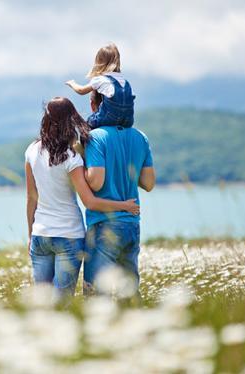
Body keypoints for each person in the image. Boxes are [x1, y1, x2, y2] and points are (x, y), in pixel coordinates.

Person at [25, 97, 140, 300]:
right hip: (69, 235)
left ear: (46, 119)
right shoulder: (72, 157)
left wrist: (30, 235)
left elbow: (31, 197)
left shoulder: (32, 150)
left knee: (42, 303)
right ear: (71, 121)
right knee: (63, 302)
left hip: (40, 235)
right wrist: (124, 205)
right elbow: (90, 202)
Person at [83, 90, 155, 295]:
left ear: (94, 105)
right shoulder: (140, 137)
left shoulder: (95, 137)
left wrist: (82, 165)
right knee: (129, 293)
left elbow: (96, 182)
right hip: (132, 223)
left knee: (97, 294)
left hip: (103, 224)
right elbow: (148, 183)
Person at [65, 42, 135, 129]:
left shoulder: (101, 79)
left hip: (109, 118)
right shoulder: (125, 82)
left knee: (87, 125)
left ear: (99, 62)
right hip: (128, 120)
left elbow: (81, 90)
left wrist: (72, 83)